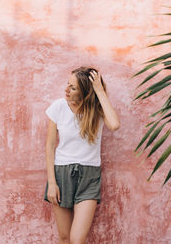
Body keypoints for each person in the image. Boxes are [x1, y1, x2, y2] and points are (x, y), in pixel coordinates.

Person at [44, 66, 120, 244]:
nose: (66, 90)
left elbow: (114, 124)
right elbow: (49, 146)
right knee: (64, 237)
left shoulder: (97, 109)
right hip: (61, 173)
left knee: (77, 239)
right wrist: (52, 183)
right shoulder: (58, 107)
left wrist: (100, 91)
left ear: (85, 91)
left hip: (89, 175)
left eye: (73, 87)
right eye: (67, 84)